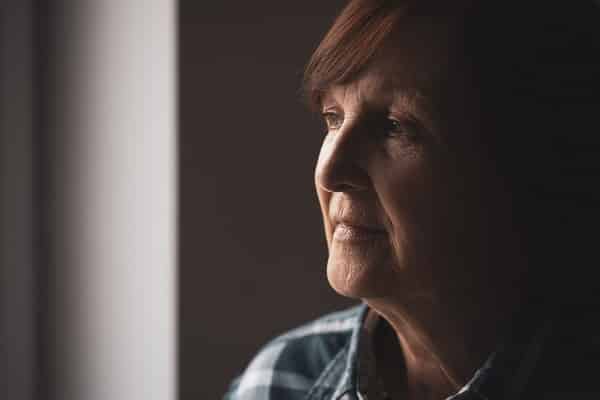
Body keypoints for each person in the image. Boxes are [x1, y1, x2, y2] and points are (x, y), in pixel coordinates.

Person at [224, 1, 600, 399]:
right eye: (333, 117)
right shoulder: (282, 380)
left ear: (518, 167)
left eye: (393, 127)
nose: (331, 173)